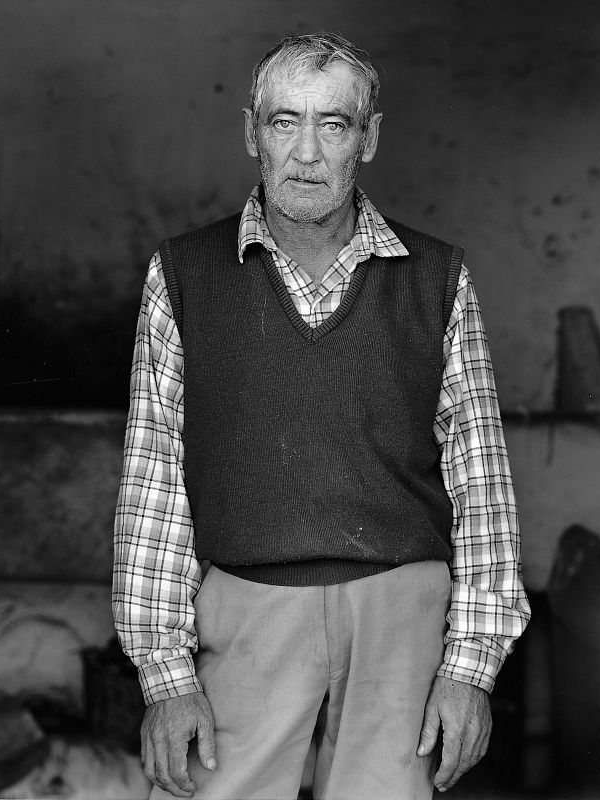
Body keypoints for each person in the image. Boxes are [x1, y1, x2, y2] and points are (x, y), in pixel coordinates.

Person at [113, 32, 530, 800]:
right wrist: (164, 676)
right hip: (246, 607)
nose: (306, 152)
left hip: (402, 609)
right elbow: (154, 479)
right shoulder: (184, 274)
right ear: (251, 132)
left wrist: (471, 664)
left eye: (333, 125)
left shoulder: (438, 277)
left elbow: (483, 483)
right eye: (284, 122)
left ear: (367, 139)